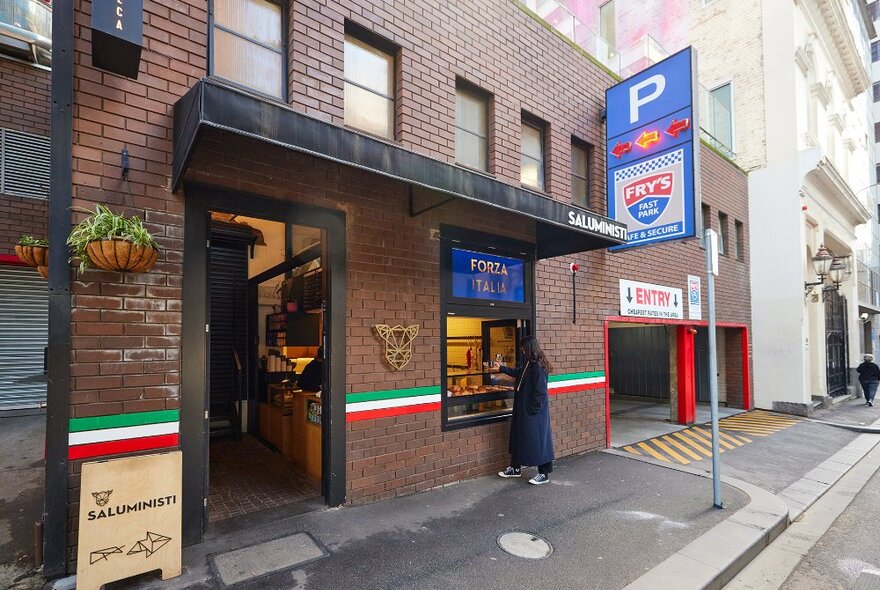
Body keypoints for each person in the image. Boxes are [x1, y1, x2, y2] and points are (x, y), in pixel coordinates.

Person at [496, 335, 555, 485]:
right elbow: (518, 372)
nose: (522, 351)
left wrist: (531, 410)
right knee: (518, 437)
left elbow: (540, 393)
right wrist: (500, 368)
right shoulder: (530, 364)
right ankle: (515, 468)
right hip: (524, 410)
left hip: (533, 413)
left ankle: (544, 473)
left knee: (540, 441)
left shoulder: (538, 367)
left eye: (523, 348)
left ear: (529, 348)